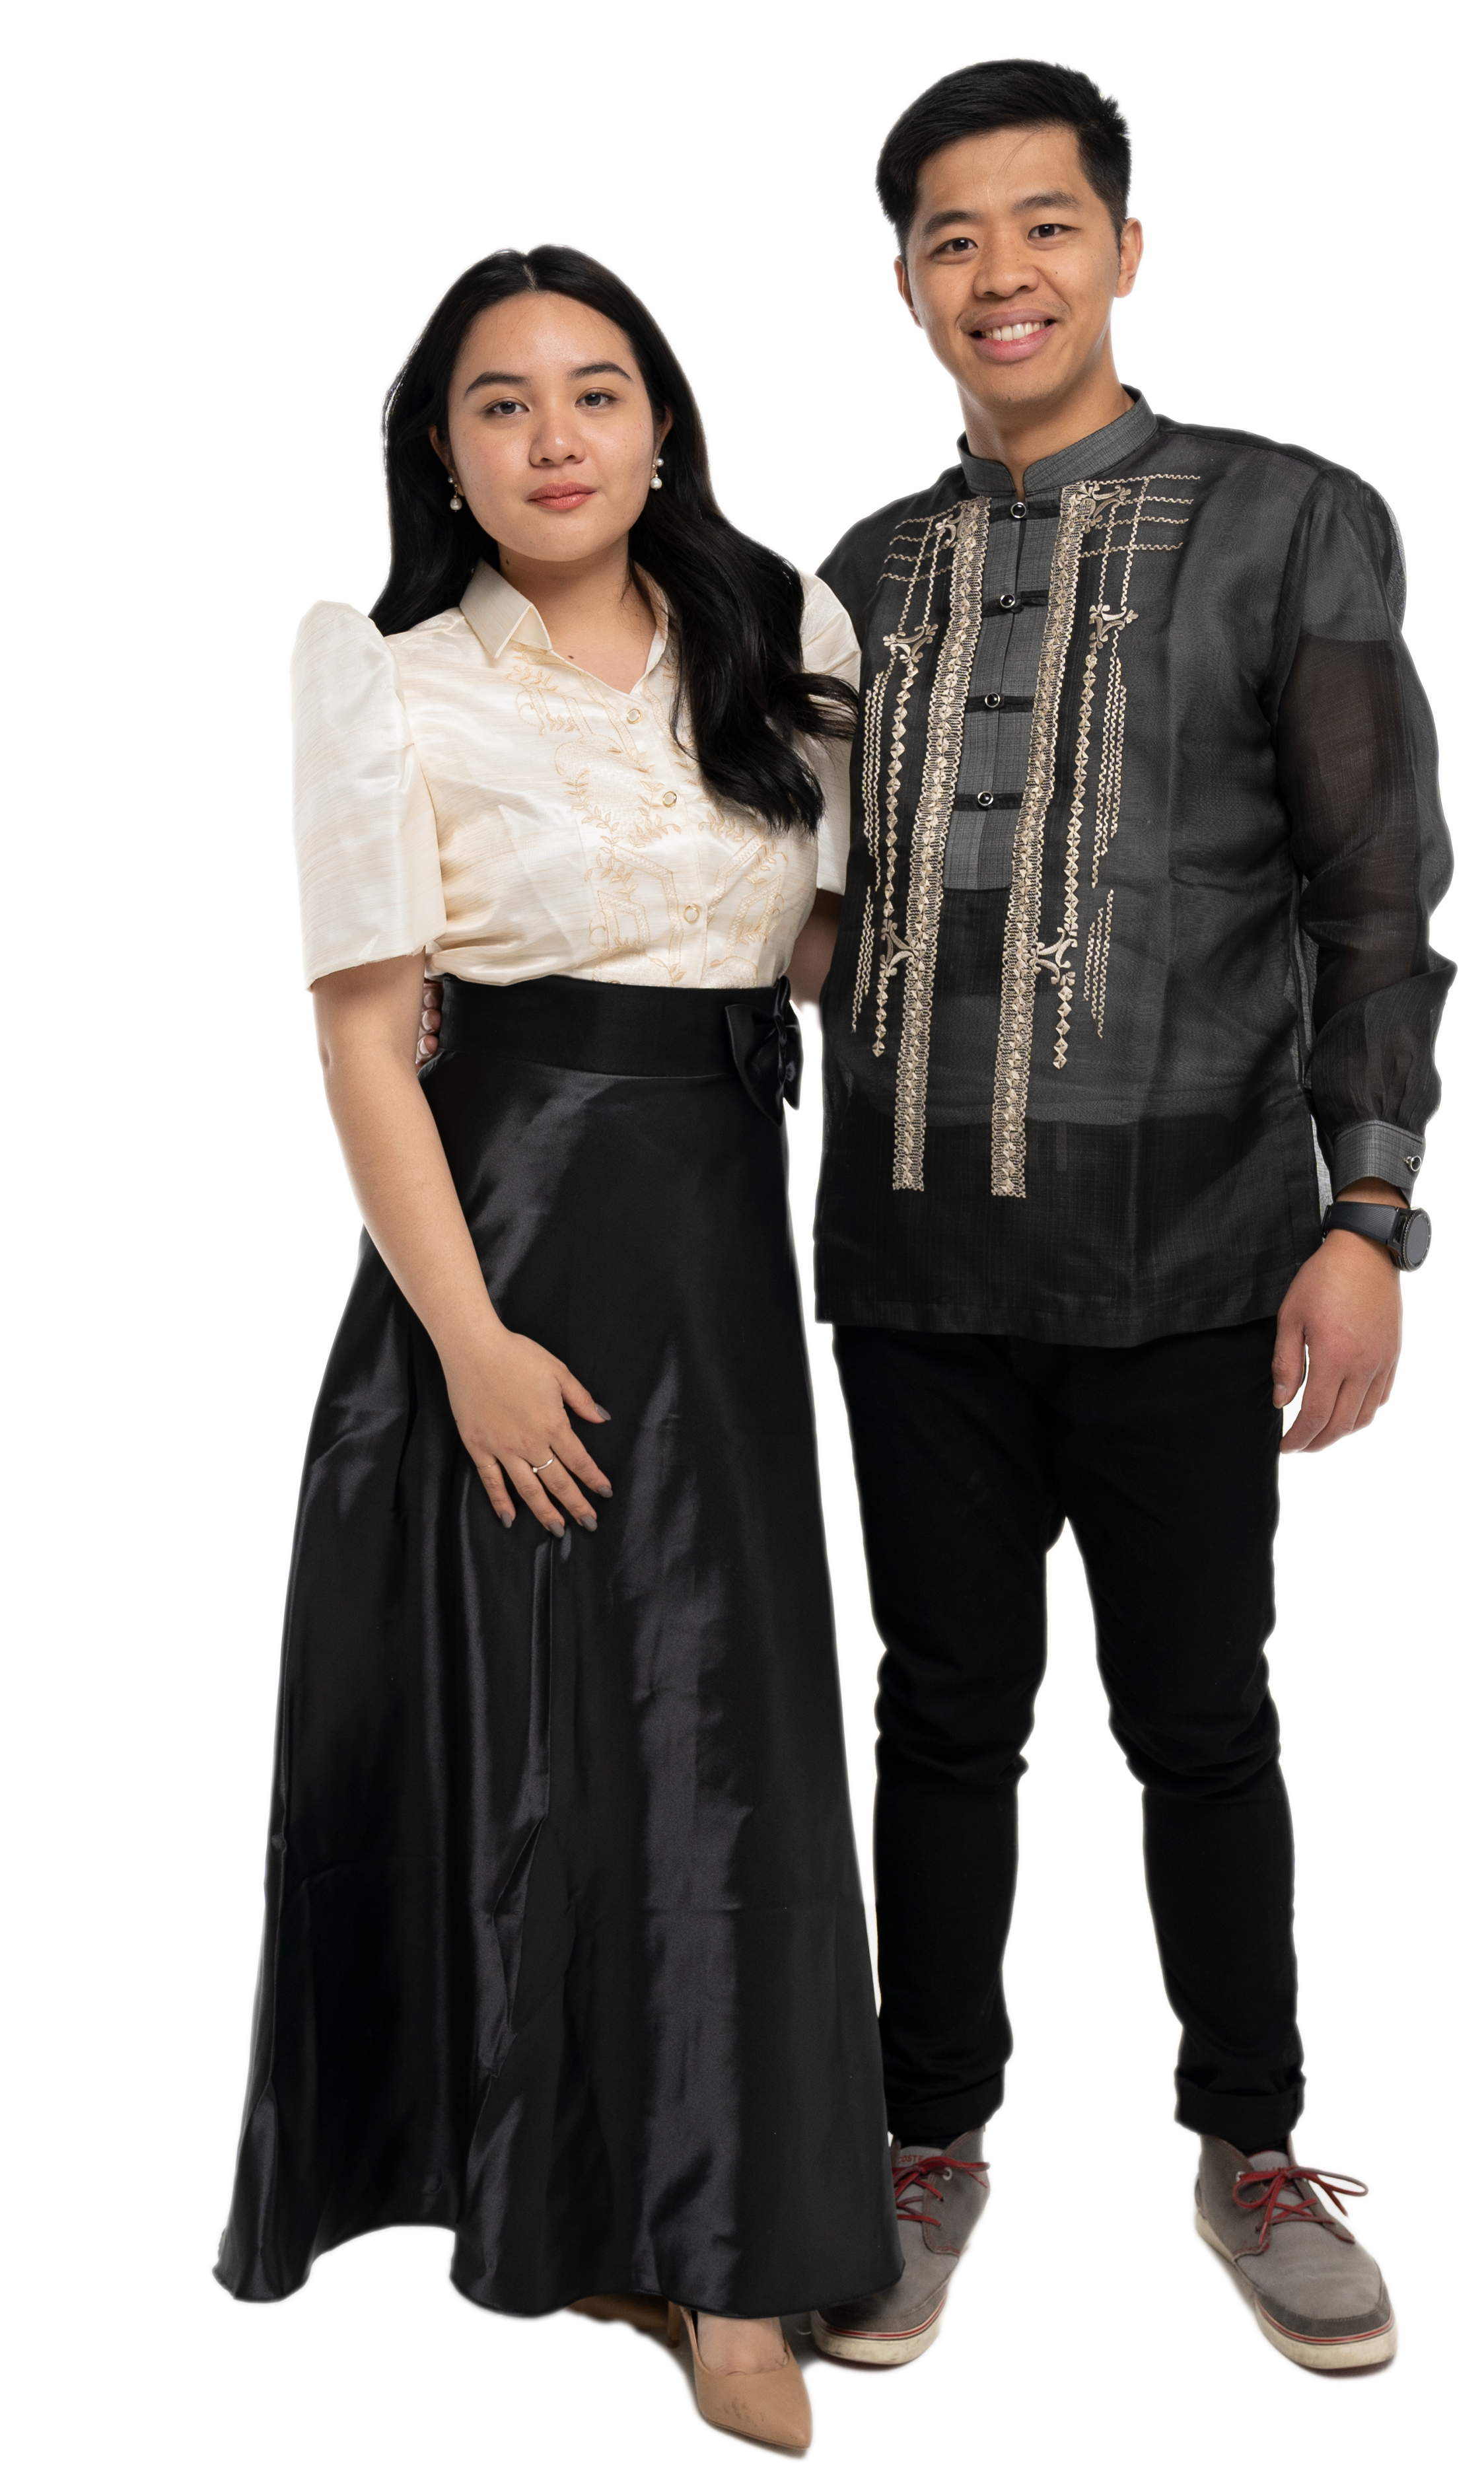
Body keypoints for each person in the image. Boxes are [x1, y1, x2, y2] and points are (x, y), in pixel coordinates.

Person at [797, 61, 1453, 2374]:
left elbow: (1376, 902)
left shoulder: (1290, 526)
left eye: (1045, 224)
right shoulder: (862, 579)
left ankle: (1250, 2141)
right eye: (953, 239)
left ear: (1124, 252)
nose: (1003, 273)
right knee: (940, 1713)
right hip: (913, 1261)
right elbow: (799, 905)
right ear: (906, 283)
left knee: (1200, 1717)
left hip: (1190, 1256)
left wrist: (1369, 1211)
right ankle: (919, 2140)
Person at [214, 243, 900, 2453]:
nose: (554, 437)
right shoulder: (388, 679)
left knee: (725, 1740)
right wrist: (472, 1346)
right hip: (495, 1247)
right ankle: (584, 2205)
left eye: (596, 391)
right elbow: (365, 1045)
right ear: (442, 450)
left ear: (662, 423)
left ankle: (732, 2247)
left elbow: (821, 947)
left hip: (714, 1241)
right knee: (539, 1744)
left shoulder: (784, 638)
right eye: (499, 403)